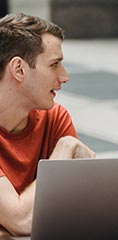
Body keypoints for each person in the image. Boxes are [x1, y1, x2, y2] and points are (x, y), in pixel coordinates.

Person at [0, 13, 95, 237]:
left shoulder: (55, 118)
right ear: (19, 69)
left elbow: (76, 214)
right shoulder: (65, 143)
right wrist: (63, 151)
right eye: (54, 65)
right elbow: (23, 221)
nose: (64, 77)